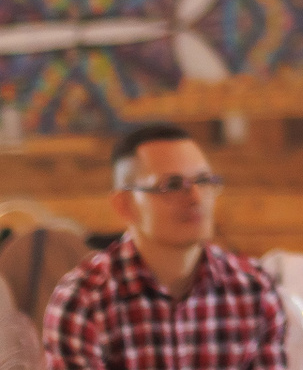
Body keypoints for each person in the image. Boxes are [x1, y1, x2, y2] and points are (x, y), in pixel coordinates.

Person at [42, 123, 286, 370]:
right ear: (124, 205)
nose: (196, 197)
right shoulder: (84, 300)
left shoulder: (253, 289)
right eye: (172, 185)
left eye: (203, 181)